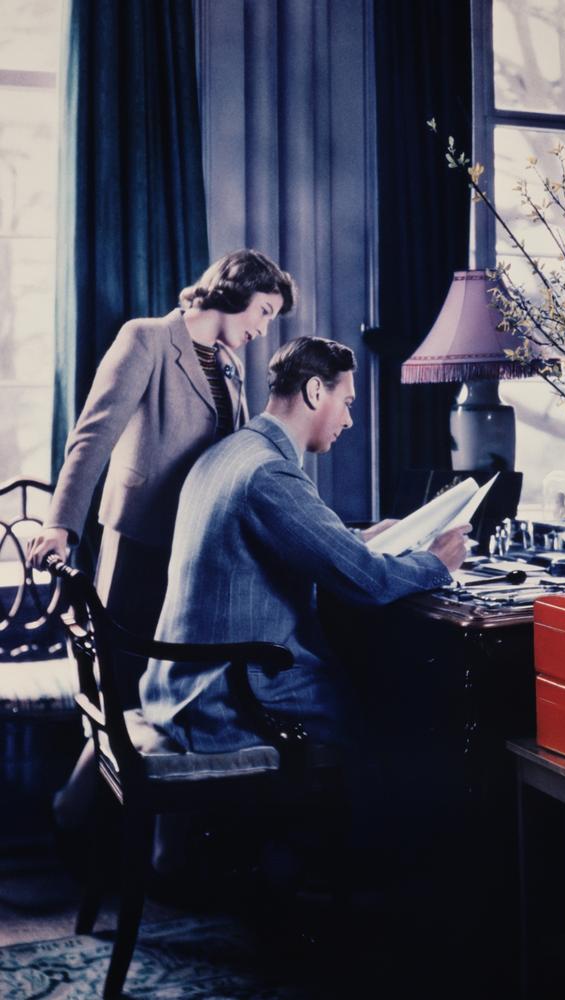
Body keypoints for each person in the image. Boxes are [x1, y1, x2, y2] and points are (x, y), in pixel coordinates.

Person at [28, 248, 297, 829]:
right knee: (122, 690)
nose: (263, 327)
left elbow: (234, 458)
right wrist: (61, 522)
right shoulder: (146, 339)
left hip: (195, 551)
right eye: (264, 309)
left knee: (168, 696)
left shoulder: (230, 366)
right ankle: (75, 821)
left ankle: (157, 852)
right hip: (139, 543)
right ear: (235, 291)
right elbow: (93, 435)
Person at [140, 336, 469, 754]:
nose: (349, 420)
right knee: (391, 717)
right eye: (347, 402)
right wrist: (436, 562)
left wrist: (362, 539)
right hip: (224, 698)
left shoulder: (233, 452)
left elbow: (293, 540)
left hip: (181, 684)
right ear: (315, 391)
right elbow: (368, 583)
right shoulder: (269, 473)